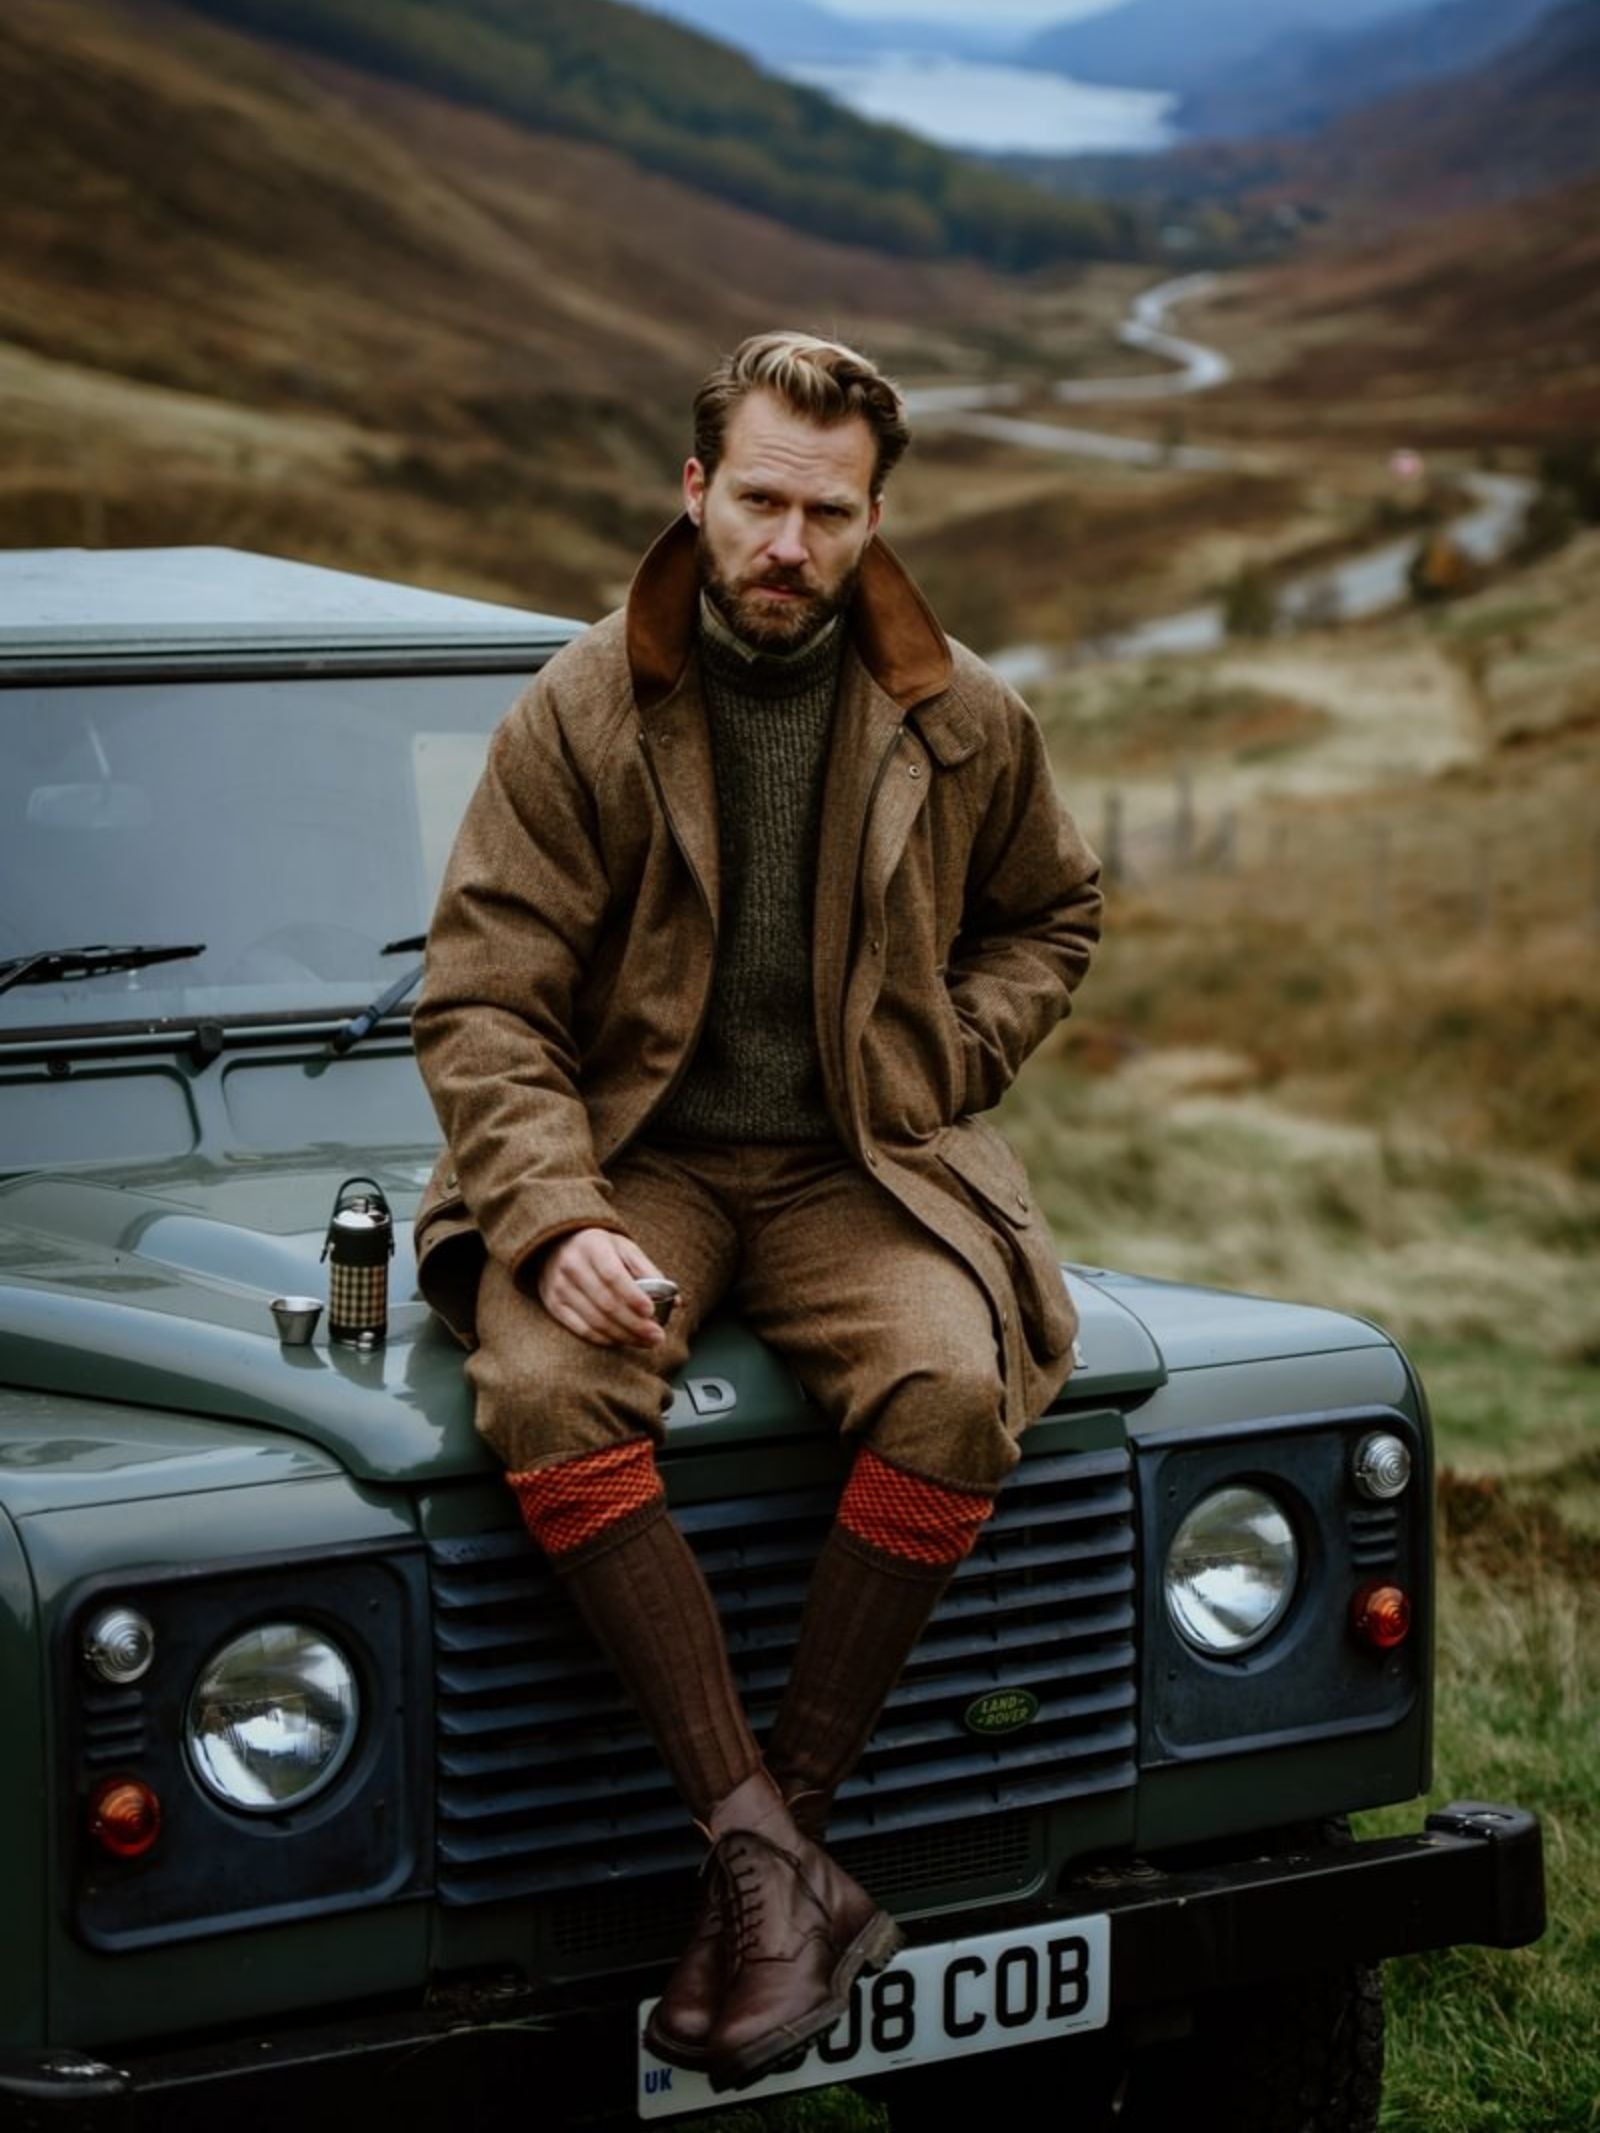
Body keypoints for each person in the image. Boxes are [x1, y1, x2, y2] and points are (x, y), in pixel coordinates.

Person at [411, 331, 1102, 2093]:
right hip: (627, 1155)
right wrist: (553, 1220)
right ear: (698, 489)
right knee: (547, 1383)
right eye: (763, 502)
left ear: (875, 518)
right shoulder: (581, 706)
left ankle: (765, 1853)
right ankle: (773, 1858)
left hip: (858, 1165)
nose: (790, 546)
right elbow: (484, 999)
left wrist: (948, 1052)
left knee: (954, 1387)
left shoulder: (961, 716)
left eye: (832, 513)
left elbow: (1055, 913)